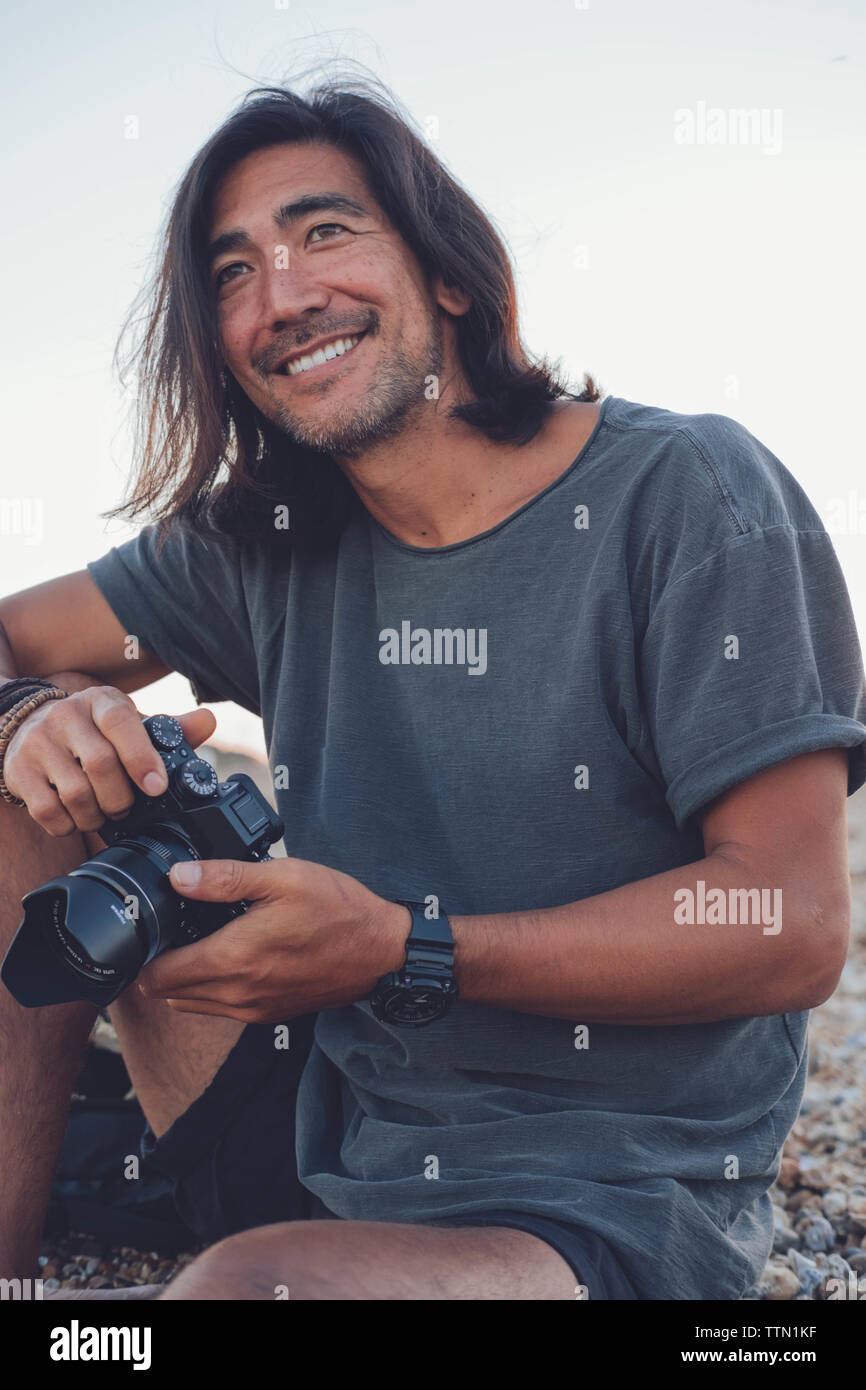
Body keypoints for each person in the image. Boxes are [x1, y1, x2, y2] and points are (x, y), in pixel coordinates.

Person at [1, 75, 864, 1303]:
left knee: (246, 1295)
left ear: (450, 275)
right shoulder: (266, 538)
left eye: (325, 232)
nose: (282, 295)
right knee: (28, 781)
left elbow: (786, 921)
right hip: (318, 1113)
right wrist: (38, 717)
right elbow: (9, 637)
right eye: (233, 272)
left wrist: (404, 951)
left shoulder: (688, 494)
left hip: (587, 1196)